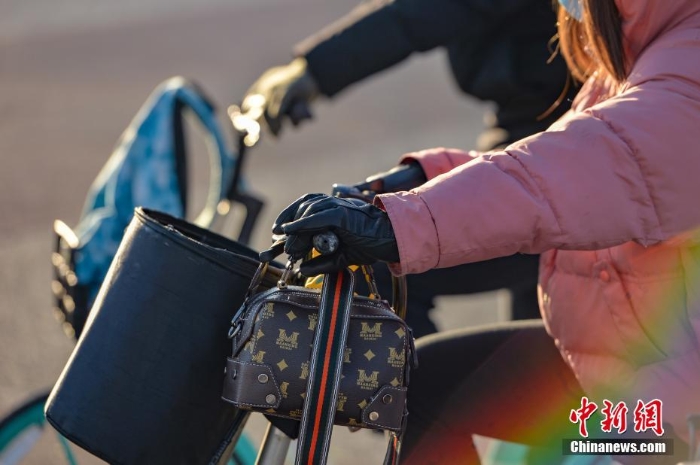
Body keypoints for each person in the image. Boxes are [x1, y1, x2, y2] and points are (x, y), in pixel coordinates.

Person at [268, 0, 700, 463]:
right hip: (613, 357)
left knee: (558, 452)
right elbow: (556, 163)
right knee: (421, 388)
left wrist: (399, 222)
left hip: (670, 403)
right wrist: (410, 184)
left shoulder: (686, 63)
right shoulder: (635, 50)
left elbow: (578, 169)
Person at [244, 0, 578, 335]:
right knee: (539, 341)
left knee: (381, 263)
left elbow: (423, 13)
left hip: (571, 161)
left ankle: (422, 386)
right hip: (529, 143)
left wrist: (316, 70)